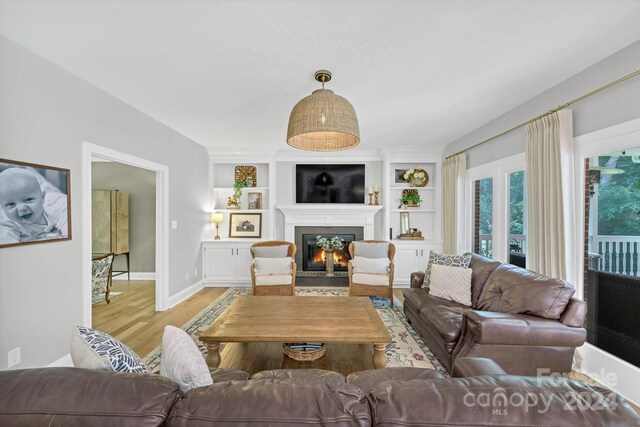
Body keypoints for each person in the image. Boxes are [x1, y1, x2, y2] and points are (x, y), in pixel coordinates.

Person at [0, 167, 68, 244]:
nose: (21, 208)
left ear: (42, 197)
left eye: (28, 199)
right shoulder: (8, 225)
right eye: (11, 204)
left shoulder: (48, 211)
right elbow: (9, 246)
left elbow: (66, 222)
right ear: (3, 207)